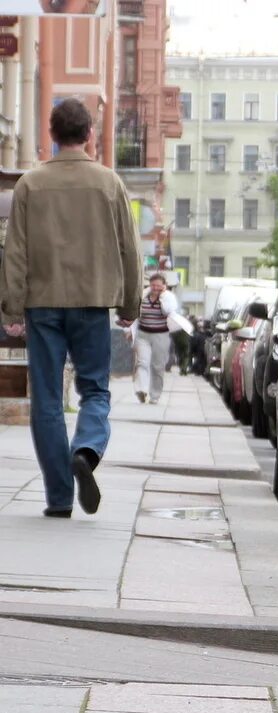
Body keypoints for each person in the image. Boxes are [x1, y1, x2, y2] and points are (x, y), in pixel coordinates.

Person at [0, 98, 140, 518]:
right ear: (90, 134)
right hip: (92, 302)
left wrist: (11, 308)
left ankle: (59, 498)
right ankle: (87, 448)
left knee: (46, 400)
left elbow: (16, 252)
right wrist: (130, 301)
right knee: (95, 388)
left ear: (51, 134)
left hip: (42, 304)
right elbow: (129, 249)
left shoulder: (30, 184)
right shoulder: (109, 183)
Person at [131, 274, 177, 404]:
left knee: (158, 366)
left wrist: (161, 297)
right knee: (142, 362)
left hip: (161, 335)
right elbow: (135, 313)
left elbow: (168, 311)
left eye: (158, 285)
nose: (155, 288)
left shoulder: (168, 297)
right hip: (143, 334)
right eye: (153, 285)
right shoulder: (143, 296)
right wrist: (129, 330)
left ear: (164, 286)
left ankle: (155, 395)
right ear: (149, 285)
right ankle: (141, 390)